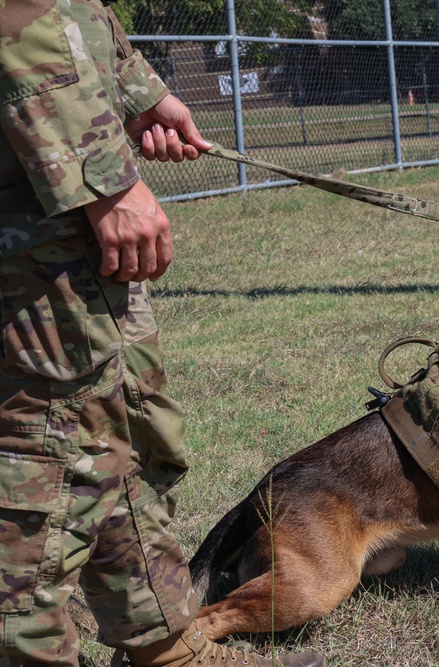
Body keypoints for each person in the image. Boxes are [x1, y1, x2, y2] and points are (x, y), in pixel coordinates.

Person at [0, 3, 324, 667]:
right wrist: (104, 180)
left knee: (122, 428)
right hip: (34, 219)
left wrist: (141, 91)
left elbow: (71, 9)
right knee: (48, 449)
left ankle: (162, 644)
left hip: (59, 210)